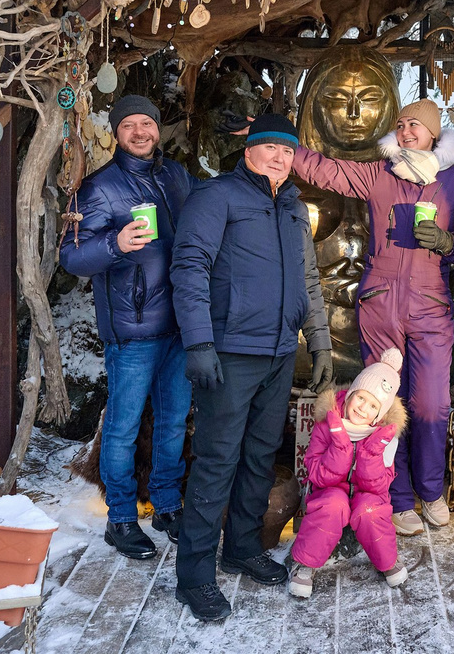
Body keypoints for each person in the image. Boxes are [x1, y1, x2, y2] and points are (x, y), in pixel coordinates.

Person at [284, 99, 454, 535]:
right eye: (402, 125)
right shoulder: (379, 173)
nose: (407, 132)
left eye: (416, 126)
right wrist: (278, 143)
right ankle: (400, 498)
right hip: (380, 299)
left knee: (430, 402)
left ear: (435, 134)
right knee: (387, 401)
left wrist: (448, 242)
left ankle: (431, 490)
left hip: (432, 302)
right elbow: (324, 169)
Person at [168, 113, 333, 622]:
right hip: (231, 351)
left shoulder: (294, 209)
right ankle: (194, 575)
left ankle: (241, 546)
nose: (281, 159)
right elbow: (189, 266)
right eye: (271, 149)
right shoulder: (216, 198)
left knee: (261, 455)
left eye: (289, 151)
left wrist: (321, 343)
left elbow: (307, 278)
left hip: (281, 352)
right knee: (217, 460)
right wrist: (198, 343)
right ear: (249, 151)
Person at [58, 95, 193, 560]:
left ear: (158, 129)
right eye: (129, 125)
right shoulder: (98, 188)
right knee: (122, 428)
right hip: (133, 329)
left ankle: (168, 504)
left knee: (174, 421)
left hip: (180, 324)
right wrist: (114, 244)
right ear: (116, 133)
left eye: (147, 124)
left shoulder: (176, 176)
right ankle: (119, 518)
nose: (140, 132)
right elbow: (71, 256)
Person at [290, 350, 410, 597]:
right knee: (332, 505)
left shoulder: (384, 435)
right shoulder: (328, 422)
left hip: (367, 492)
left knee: (372, 510)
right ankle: (306, 565)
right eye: (361, 398)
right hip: (329, 490)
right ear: (351, 394)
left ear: (379, 413)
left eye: (373, 405)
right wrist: (341, 447)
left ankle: (387, 563)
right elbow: (316, 473)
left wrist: (372, 453)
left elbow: (380, 485)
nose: (363, 408)